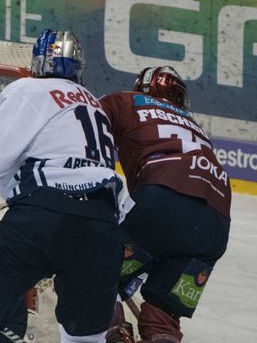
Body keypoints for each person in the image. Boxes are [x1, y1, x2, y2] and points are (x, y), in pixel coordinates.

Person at [0, 29, 126, 343]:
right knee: (85, 340)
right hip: (102, 229)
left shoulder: (28, 89)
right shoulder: (94, 104)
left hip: (43, 217)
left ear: (38, 61)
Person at [99, 66, 231, 343]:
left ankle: (112, 333)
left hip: (163, 204)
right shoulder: (194, 125)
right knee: (163, 315)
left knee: (92, 276)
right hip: (215, 228)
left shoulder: (126, 100)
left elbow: (81, 123)